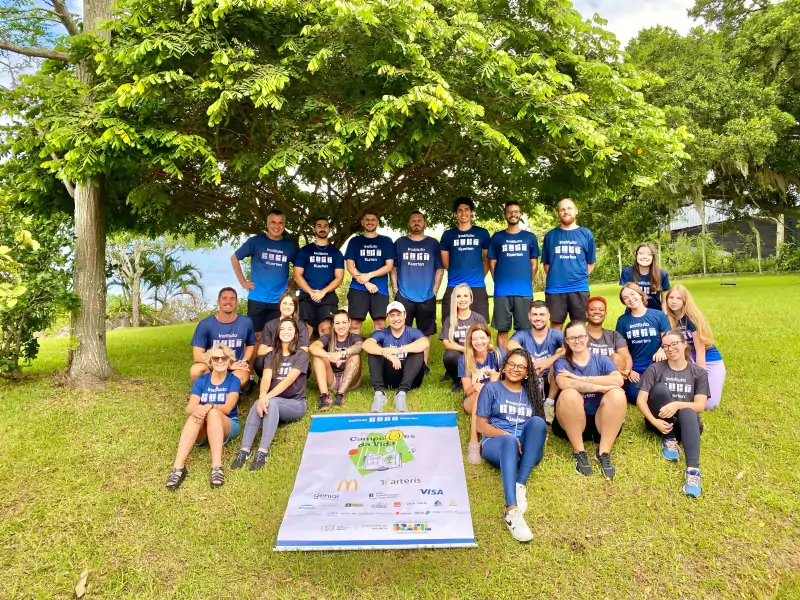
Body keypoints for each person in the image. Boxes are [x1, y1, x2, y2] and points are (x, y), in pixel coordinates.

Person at [475, 348, 547, 542]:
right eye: (512, 365)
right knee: (508, 440)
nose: (516, 369)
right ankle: (511, 511)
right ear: (504, 367)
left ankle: (520, 484)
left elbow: (538, 431)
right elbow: (481, 426)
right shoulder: (492, 389)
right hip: (497, 444)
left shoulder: (531, 392)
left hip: (526, 448)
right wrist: (507, 435)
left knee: (538, 422)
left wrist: (529, 439)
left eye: (521, 367)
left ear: (527, 372)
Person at [636, 329, 708, 497]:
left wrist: (677, 404)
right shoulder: (655, 369)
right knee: (660, 389)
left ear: (684, 344)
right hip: (659, 420)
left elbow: (700, 405)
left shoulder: (698, 373)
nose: (670, 348)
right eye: (666, 346)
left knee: (688, 412)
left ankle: (693, 472)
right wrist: (654, 422)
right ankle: (669, 438)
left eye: (674, 344)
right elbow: (641, 400)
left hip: (687, 425)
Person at [231, 318, 309, 472]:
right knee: (257, 403)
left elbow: (289, 380)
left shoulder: (301, 355)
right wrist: (262, 396)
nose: (286, 332)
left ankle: (263, 452)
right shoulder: (272, 354)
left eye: (290, 329)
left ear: (295, 333)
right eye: (283, 329)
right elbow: (266, 377)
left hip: (295, 404)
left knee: (270, 402)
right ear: (278, 333)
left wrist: (267, 397)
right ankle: (244, 450)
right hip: (273, 400)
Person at [552, 321, 626, 479]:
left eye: (580, 336)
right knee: (569, 393)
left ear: (587, 338)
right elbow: (565, 383)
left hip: (600, 423)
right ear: (566, 340)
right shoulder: (562, 361)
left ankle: (603, 453)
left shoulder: (602, 359)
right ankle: (579, 452)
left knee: (617, 394)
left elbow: (618, 380)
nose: (577, 341)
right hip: (572, 421)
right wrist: (599, 387)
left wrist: (581, 378)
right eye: (572, 338)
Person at [166, 344, 242, 491]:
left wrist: (209, 406)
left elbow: (227, 408)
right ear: (210, 361)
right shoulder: (202, 381)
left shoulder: (234, 380)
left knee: (213, 412)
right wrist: (198, 409)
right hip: (204, 425)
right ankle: (178, 468)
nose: (220, 361)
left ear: (229, 361)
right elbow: (189, 407)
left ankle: (216, 467)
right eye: (216, 358)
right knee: (195, 414)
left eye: (224, 358)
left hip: (227, 423)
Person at [231, 209, 298, 342]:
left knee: (275, 337)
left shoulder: (289, 246)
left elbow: (300, 268)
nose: (277, 226)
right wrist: (243, 282)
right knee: (254, 338)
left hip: (279, 300)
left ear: (284, 225)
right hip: (257, 298)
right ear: (267, 224)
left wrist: (290, 285)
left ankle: (271, 363)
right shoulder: (256, 241)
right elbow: (234, 258)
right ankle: (253, 363)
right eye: (273, 222)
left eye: (280, 223)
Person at [391, 211, 443, 367]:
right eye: (413, 220)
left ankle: (423, 365)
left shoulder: (433, 244)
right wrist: (395, 290)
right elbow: (393, 268)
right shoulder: (400, 243)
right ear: (409, 224)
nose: (416, 223)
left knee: (425, 332)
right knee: (400, 330)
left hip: (426, 295)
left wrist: (434, 291)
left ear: (425, 223)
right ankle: (401, 362)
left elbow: (439, 269)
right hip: (404, 295)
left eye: (419, 220)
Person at [663, 284, 726, 410]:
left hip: (708, 360)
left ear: (685, 301)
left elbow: (700, 350)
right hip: (688, 358)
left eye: (679, 298)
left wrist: (699, 378)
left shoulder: (692, 320)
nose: (674, 301)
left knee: (709, 405)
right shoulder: (668, 319)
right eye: (671, 298)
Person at [488, 201, 539, 350]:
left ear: (520, 214)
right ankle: (502, 362)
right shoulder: (497, 237)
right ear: (505, 215)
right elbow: (492, 263)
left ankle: (523, 361)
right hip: (502, 291)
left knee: (524, 330)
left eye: (516, 211)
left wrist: (526, 282)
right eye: (509, 212)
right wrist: (498, 281)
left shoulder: (530, 237)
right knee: (502, 330)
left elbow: (534, 264)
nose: (513, 214)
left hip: (524, 292)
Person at [362, 301, 429, 413]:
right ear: (387, 317)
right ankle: (379, 393)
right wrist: (386, 353)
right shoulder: (383, 333)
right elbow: (366, 344)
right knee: (374, 350)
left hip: (410, 379)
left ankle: (402, 393)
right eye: (392, 315)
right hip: (388, 377)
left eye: (399, 315)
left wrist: (397, 350)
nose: (396, 318)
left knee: (418, 350)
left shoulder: (413, 332)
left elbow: (425, 343)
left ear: (405, 315)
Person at [541, 198, 596, 329]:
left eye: (569, 208)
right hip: (555, 289)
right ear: (558, 213)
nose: (566, 212)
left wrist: (579, 277)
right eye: (562, 209)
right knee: (555, 326)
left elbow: (590, 262)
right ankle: (558, 350)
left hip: (579, 288)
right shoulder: (550, 236)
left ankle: (577, 350)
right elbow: (546, 264)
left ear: (576, 211)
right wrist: (558, 277)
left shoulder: (586, 234)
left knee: (580, 327)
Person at [615, 283, 671, 404]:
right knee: (634, 396)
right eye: (625, 298)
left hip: (656, 364)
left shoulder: (658, 315)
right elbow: (620, 349)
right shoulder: (623, 320)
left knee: (665, 392)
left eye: (632, 294)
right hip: (636, 368)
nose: (630, 299)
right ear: (624, 302)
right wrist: (628, 369)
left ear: (640, 295)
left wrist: (662, 349)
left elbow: (669, 339)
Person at [506, 300, 564, 416]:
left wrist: (548, 361)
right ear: (529, 316)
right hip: (529, 378)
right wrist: (531, 360)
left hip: (551, 380)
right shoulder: (522, 334)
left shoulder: (556, 334)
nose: (538, 318)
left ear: (548, 316)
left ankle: (549, 403)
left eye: (542, 314)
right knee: (516, 359)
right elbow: (510, 344)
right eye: (535, 314)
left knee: (560, 358)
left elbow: (569, 347)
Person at [190, 287, 255, 389]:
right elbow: (197, 356)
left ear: (237, 302)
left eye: (232, 298)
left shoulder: (246, 322)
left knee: (242, 378)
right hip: (213, 366)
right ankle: (209, 392)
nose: (228, 301)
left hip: (235, 368)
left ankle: (221, 393)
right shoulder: (205, 324)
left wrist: (244, 360)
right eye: (224, 298)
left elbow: (251, 344)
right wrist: (226, 364)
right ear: (218, 302)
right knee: (196, 370)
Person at [459, 322, 504, 465]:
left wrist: (487, 375)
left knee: (485, 392)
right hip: (472, 399)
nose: (479, 342)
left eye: (482, 338)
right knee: (480, 393)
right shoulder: (464, 358)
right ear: (470, 341)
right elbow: (467, 390)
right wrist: (475, 385)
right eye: (475, 339)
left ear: (489, 338)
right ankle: (474, 442)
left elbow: (504, 379)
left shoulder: (498, 353)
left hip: (496, 397)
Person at [440, 197, 491, 322]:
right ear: (455, 213)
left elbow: (488, 259)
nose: (464, 213)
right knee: (450, 325)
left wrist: (479, 276)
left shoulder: (482, 233)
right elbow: (446, 263)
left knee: (480, 326)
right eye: (460, 210)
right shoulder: (448, 235)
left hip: (477, 285)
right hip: (454, 285)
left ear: (472, 212)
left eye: (467, 209)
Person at [344, 210, 396, 334]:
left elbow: (389, 266)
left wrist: (369, 275)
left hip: (380, 289)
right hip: (358, 288)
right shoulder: (355, 241)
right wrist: (366, 282)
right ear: (362, 222)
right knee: (355, 324)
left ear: (377, 222)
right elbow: (350, 266)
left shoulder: (386, 241)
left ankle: (378, 352)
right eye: (367, 220)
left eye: (373, 220)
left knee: (380, 325)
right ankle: (353, 353)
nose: (370, 222)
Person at [293, 216, 345, 338]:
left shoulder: (336, 253)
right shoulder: (304, 251)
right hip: (306, 295)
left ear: (329, 230)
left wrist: (323, 292)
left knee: (326, 328)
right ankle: (302, 357)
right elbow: (297, 275)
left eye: (326, 226)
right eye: (319, 226)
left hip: (327, 295)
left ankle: (325, 356)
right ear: (314, 229)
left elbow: (339, 278)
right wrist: (311, 292)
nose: (322, 228)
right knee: (305, 329)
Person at [308, 310, 363, 410]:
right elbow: (312, 348)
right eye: (337, 323)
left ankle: (340, 395)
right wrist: (330, 356)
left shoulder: (355, 337)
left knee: (355, 356)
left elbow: (359, 347)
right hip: (331, 378)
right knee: (318, 356)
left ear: (349, 322)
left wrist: (341, 353)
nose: (341, 326)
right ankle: (324, 396)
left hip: (349, 379)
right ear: (333, 325)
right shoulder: (327, 337)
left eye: (344, 322)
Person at [440, 283, 487, 391]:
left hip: (476, 353)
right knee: (449, 356)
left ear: (471, 299)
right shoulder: (450, 320)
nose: (462, 299)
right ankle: (458, 381)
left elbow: (487, 341)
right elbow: (446, 343)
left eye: (465, 296)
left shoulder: (478, 318)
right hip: (459, 354)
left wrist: (472, 350)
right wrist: (464, 349)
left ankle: (473, 375)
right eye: (458, 296)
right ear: (454, 300)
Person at [254, 292, 309, 378]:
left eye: (291, 304)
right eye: (285, 303)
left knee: (306, 364)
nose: (287, 307)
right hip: (274, 359)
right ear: (279, 305)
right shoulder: (269, 325)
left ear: (295, 307)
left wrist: (287, 354)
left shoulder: (301, 326)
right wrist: (268, 351)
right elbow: (261, 351)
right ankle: (268, 379)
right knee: (259, 361)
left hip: (293, 359)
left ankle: (293, 382)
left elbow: (304, 350)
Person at [585, 296, 632, 374]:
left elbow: (626, 357)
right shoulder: (578, 334)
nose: (597, 312)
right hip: (586, 376)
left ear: (605, 314)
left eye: (601, 309)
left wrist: (627, 371)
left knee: (616, 358)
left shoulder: (614, 335)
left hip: (610, 379)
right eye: (592, 309)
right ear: (587, 314)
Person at [619, 242, 671, 310]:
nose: (644, 257)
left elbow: (665, 302)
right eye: (641, 253)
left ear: (653, 257)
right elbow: (626, 297)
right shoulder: (627, 272)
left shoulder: (662, 274)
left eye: (649, 254)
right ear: (636, 255)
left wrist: (664, 318)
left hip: (655, 313)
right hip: (634, 313)